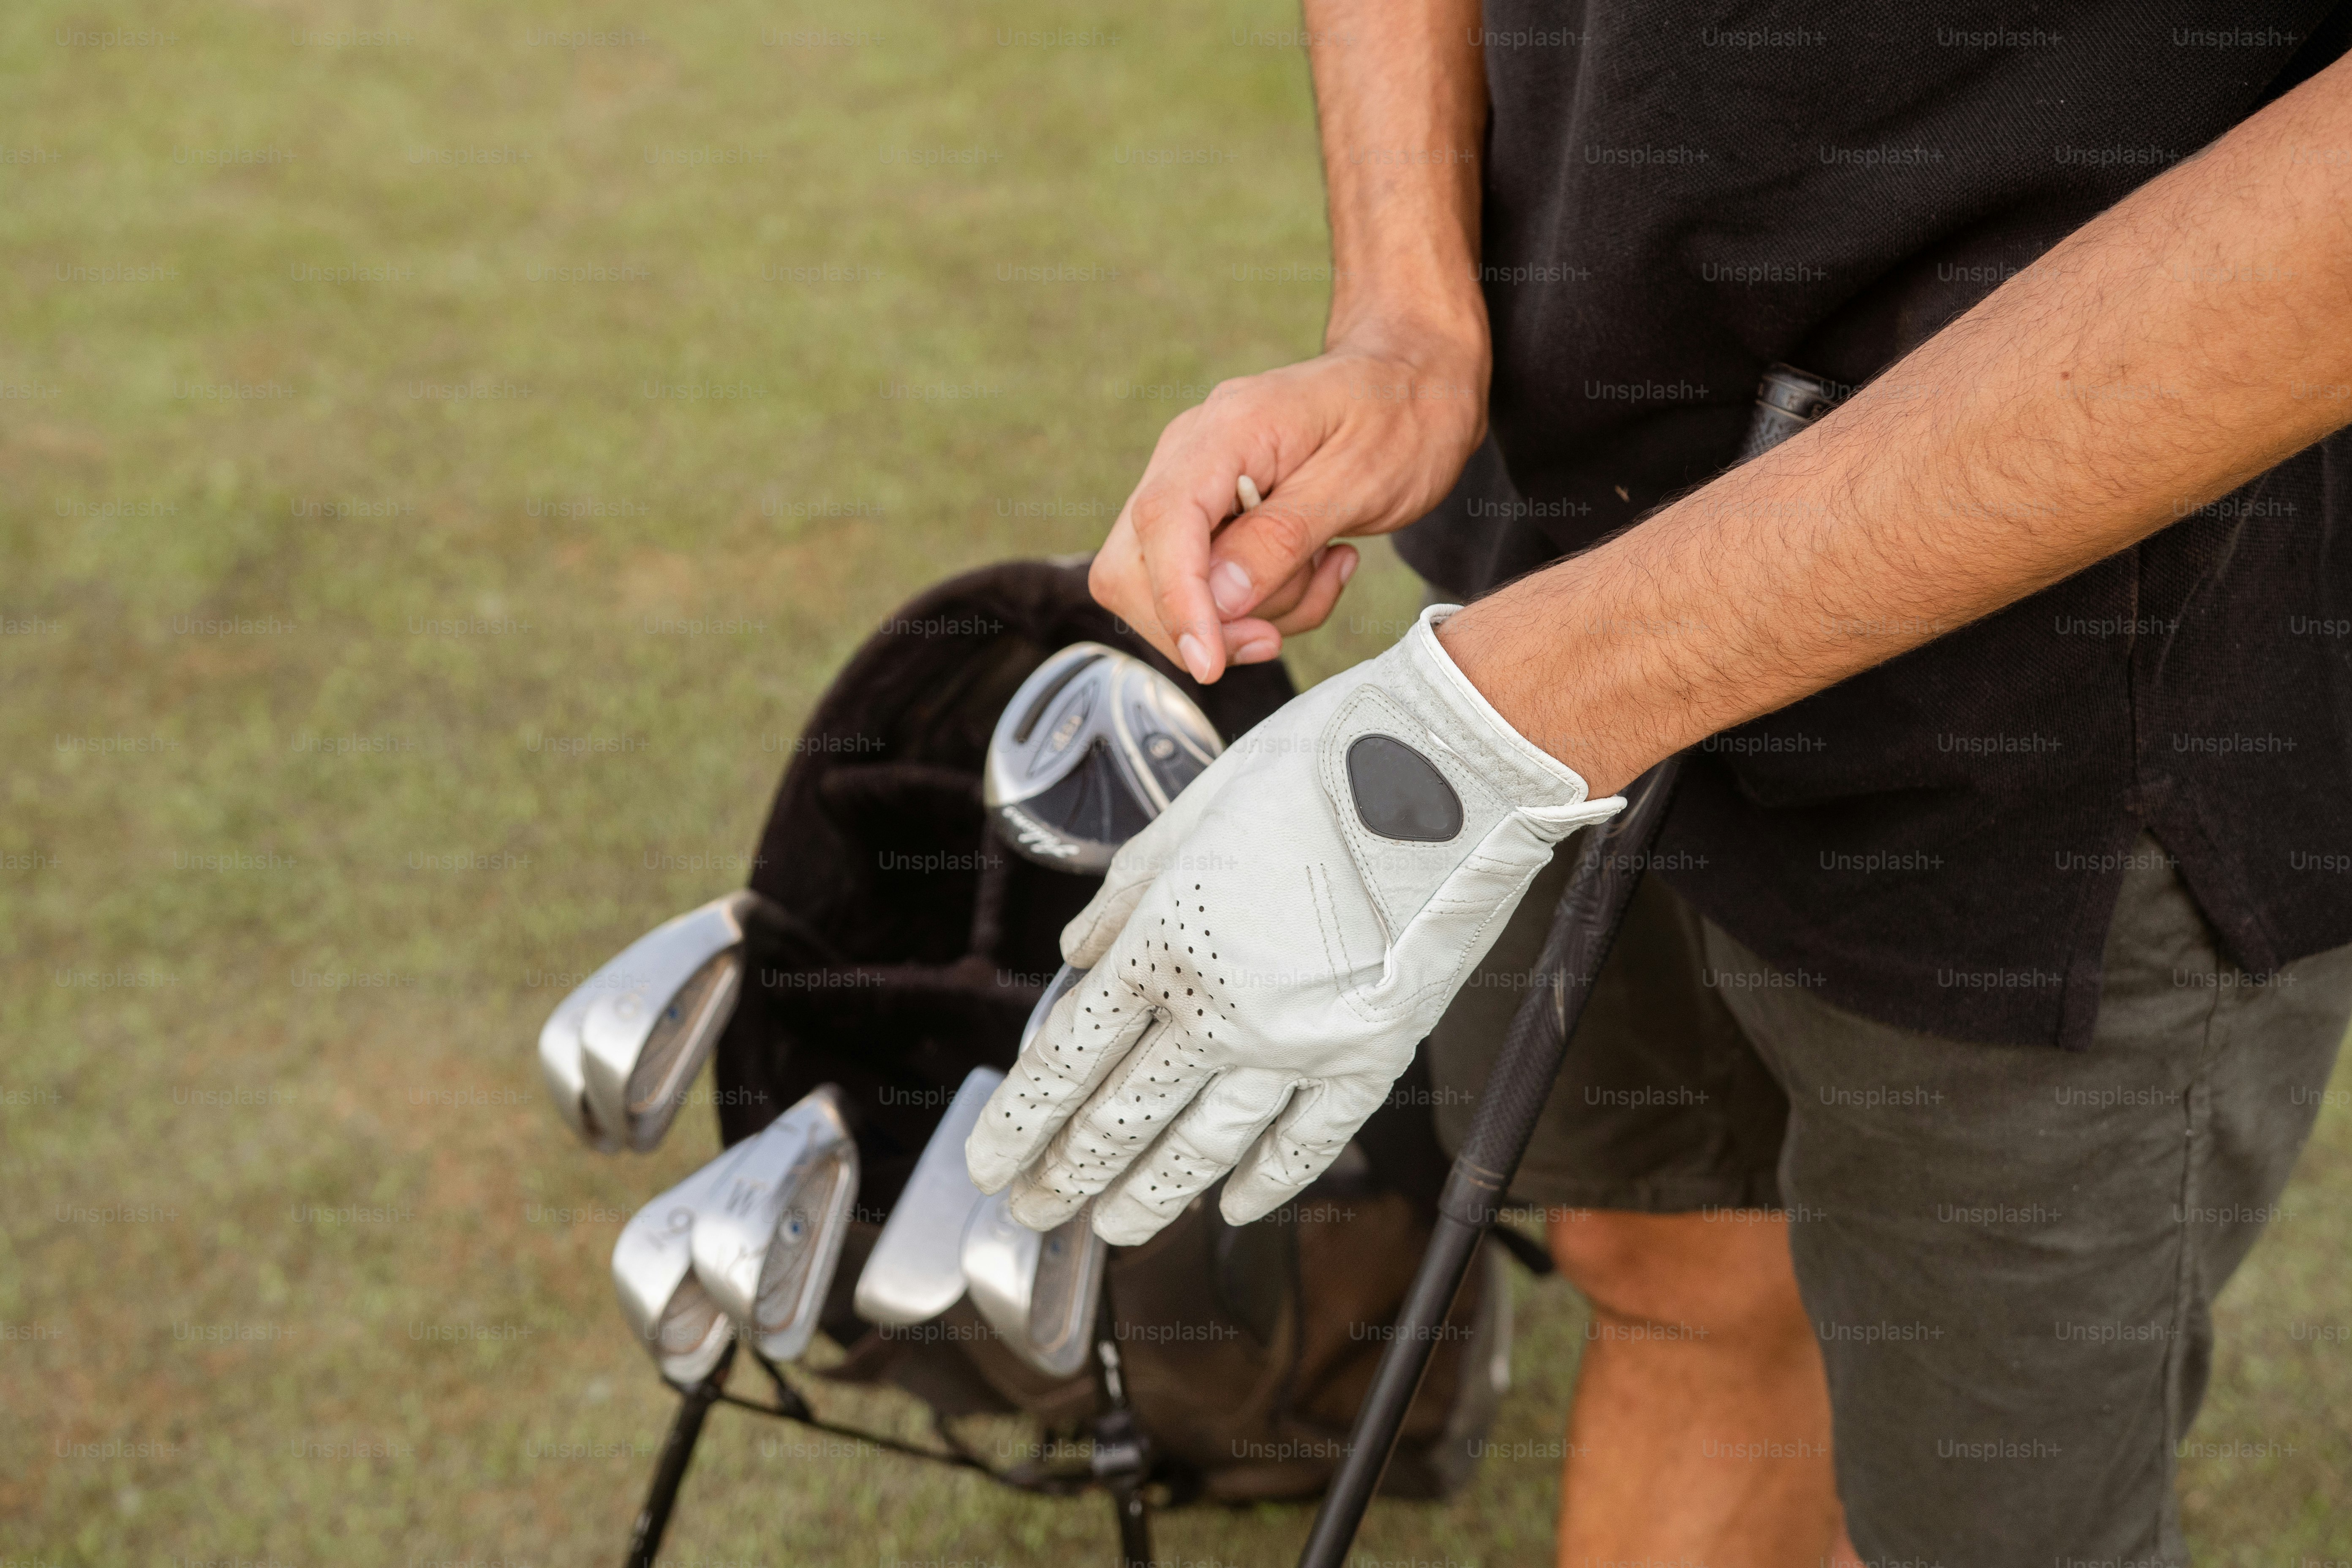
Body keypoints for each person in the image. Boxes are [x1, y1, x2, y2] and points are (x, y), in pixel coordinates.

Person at [965, 5, 2352, 1563]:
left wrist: (1477, 734)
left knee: (1986, 1517)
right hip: (1558, 530)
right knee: (1672, 1266)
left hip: (2077, 710)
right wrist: (1408, 320)